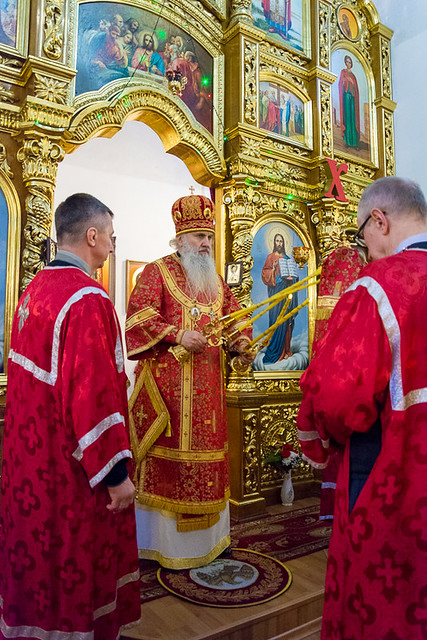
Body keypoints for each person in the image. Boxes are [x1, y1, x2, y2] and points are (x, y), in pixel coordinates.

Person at [0, 193, 140, 639]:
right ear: (92, 235)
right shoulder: (87, 300)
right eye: (112, 237)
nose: (114, 247)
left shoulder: (34, 289)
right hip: (68, 471)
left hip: (28, 464)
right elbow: (93, 399)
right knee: (70, 568)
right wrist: (116, 475)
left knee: (37, 565)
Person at [297, 176, 427, 639]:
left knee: (383, 596)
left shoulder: (378, 284)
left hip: (391, 475)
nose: (364, 247)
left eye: (361, 235)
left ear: (380, 219)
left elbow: (337, 396)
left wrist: (324, 436)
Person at [125, 194, 255, 569]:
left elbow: (234, 320)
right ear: (180, 238)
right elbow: (137, 320)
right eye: (198, 235)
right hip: (169, 399)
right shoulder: (156, 272)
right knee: (168, 464)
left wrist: (242, 344)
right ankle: (160, 546)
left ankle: (211, 543)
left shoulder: (215, 281)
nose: (206, 243)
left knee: (210, 463)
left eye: (209, 236)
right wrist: (177, 334)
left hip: (209, 400)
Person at [261, 232, 299, 363]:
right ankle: (275, 350)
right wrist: (274, 270)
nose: (279, 243)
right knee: (277, 320)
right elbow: (265, 274)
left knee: (287, 321)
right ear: (274, 242)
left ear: (283, 243)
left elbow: (293, 277)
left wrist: (292, 278)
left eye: (281, 241)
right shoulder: (270, 257)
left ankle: (286, 349)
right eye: (277, 241)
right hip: (276, 295)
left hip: (287, 295)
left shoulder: (288, 258)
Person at [339, 54, 360, 148]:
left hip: (352, 98)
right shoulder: (343, 72)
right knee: (347, 118)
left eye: (350, 62)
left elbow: (356, 88)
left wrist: (352, 83)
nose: (348, 64)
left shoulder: (354, 76)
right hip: (346, 97)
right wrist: (345, 80)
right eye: (347, 62)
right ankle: (347, 141)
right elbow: (340, 83)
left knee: (353, 119)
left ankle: (354, 142)